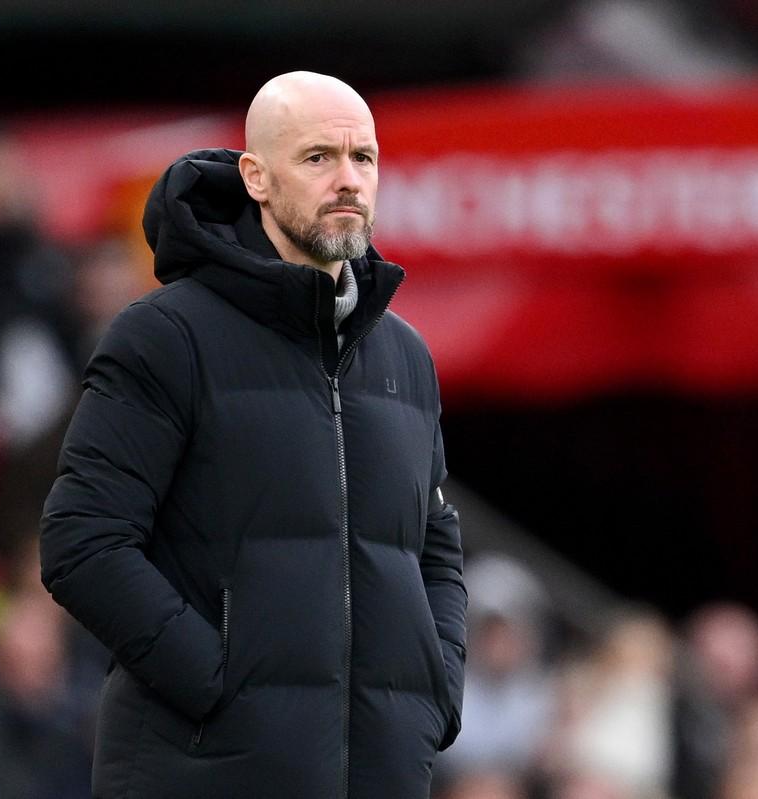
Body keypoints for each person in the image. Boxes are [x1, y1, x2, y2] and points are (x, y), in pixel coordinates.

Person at [39, 71, 467, 798]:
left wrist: (435, 692)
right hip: (200, 774)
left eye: (363, 158)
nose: (347, 179)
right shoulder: (165, 335)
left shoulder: (405, 355)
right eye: (318, 157)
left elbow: (434, 547)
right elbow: (82, 542)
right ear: (255, 178)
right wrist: (220, 685)